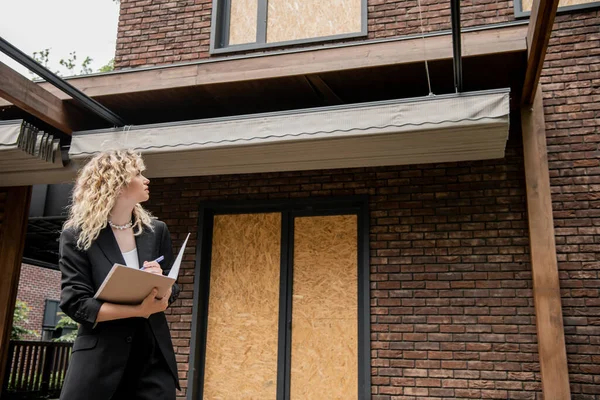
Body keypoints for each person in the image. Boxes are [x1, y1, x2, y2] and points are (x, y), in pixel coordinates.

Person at [58, 150, 181, 400]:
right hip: (99, 361)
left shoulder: (156, 231)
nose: (146, 179)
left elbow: (173, 289)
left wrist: (163, 284)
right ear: (116, 182)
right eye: (138, 173)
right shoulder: (77, 236)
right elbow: (76, 304)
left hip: (152, 359)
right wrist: (139, 310)